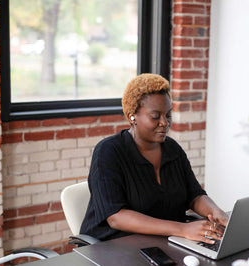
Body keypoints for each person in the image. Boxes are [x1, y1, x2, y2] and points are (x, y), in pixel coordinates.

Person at [80, 73, 228, 244]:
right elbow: (116, 217)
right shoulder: (108, 151)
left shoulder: (173, 149)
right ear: (132, 117)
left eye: (168, 115)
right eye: (155, 116)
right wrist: (183, 229)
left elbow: (195, 196)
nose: (164, 122)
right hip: (112, 247)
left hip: (162, 243)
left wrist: (216, 212)